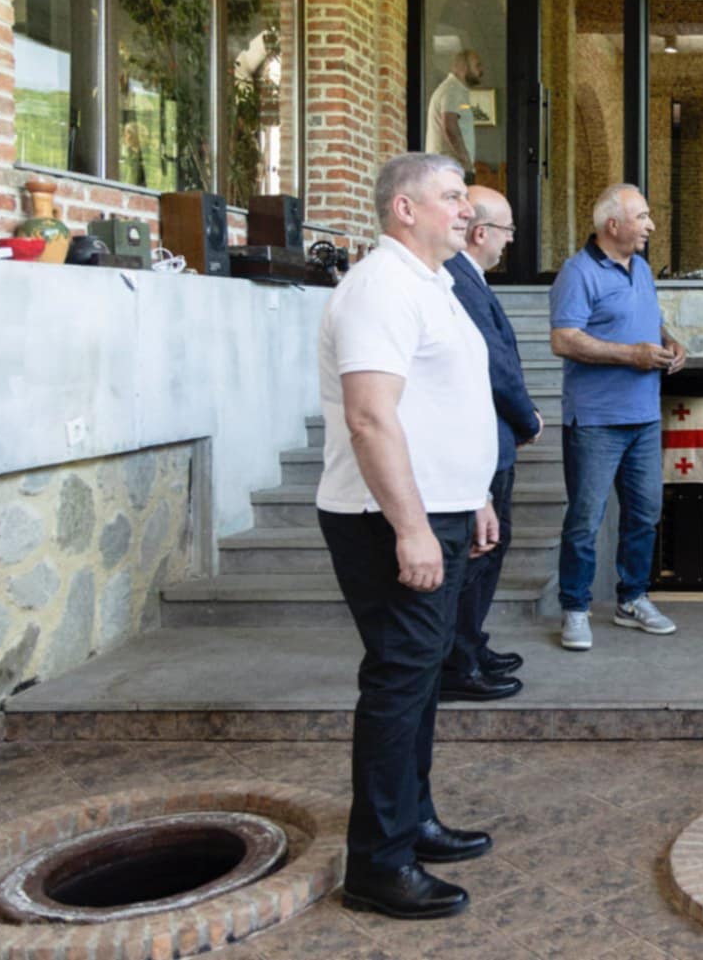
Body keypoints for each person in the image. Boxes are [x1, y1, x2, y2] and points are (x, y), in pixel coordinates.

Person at [315, 152, 500, 919]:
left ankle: (413, 818)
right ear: (404, 208)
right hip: (386, 516)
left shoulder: (434, 283)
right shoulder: (381, 286)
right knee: (398, 681)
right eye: (451, 197)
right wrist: (414, 526)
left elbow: (441, 403)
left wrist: (474, 493)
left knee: (422, 679)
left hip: (440, 509)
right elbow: (370, 416)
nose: (467, 210)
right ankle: (378, 863)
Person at [549, 183, 687, 651]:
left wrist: (668, 341)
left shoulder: (641, 268)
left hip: (644, 417)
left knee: (645, 514)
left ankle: (632, 600)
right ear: (613, 225)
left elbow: (647, 319)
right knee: (585, 521)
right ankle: (575, 607)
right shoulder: (577, 273)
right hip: (595, 421)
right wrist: (632, 355)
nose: (651, 225)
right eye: (642, 217)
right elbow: (564, 339)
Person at [436, 185, 540, 701]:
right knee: (477, 556)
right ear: (481, 233)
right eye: (507, 230)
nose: (511, 240)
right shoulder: (457, 280)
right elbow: (495, 365)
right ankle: (458, 663)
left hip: (491, 439)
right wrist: (528, 419)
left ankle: (471, 645)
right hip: (484, 440)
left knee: (488, 553)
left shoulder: (465, 277)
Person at [424, 49, 483, 181]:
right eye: (477, 65)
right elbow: (450, 126)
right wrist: (465, 160)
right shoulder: (453, 89)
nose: (481, 70)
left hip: (447, 168)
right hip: (450, 169)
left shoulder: (456, 90)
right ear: (464, 67)